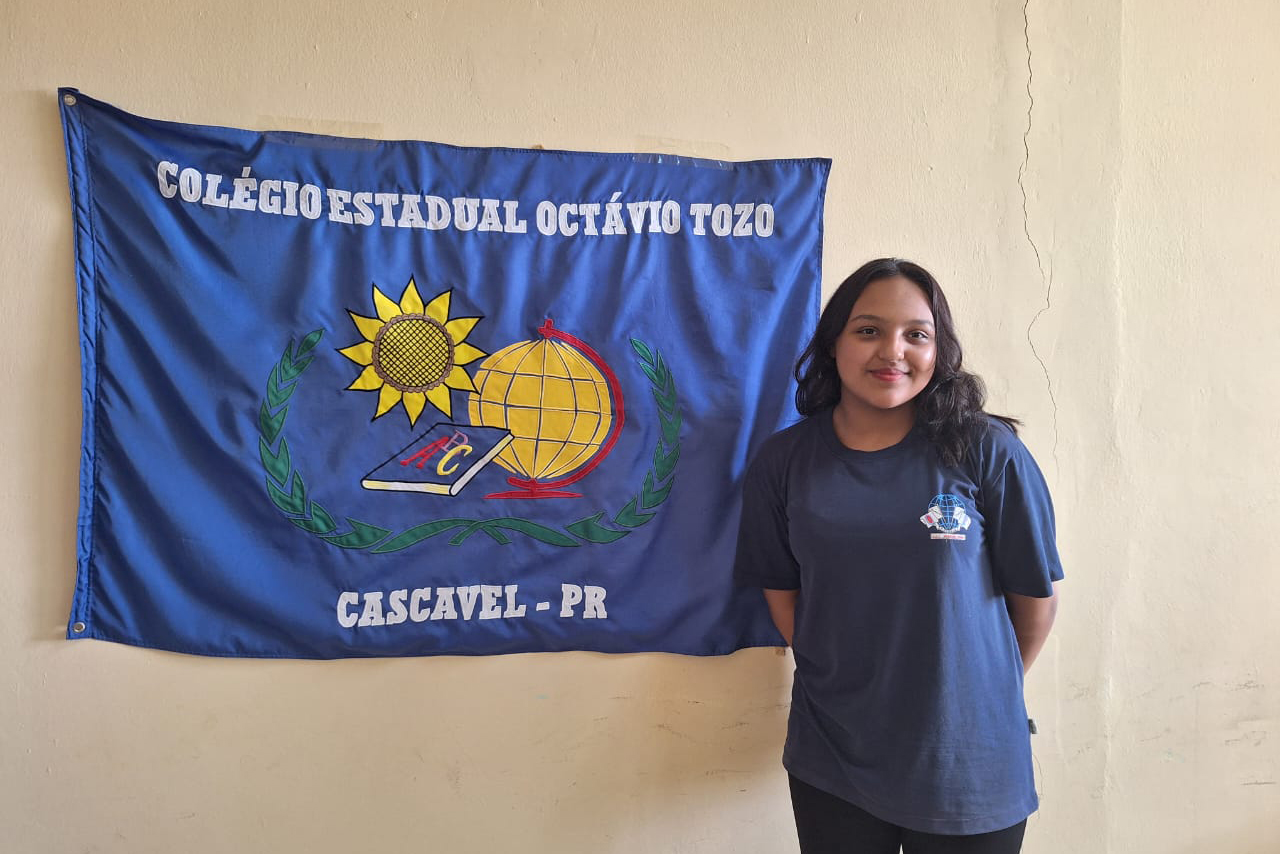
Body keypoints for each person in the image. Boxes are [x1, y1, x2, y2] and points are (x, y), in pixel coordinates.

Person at [734, 258, 1063, 854]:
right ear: (833, 343)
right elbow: (783, 593)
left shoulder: (986, 450)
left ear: (939, 351)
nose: (893, 351)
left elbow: (1034, 603)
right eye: (868, 330)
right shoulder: (784, 462)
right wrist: (843, 679)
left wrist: (969, 697)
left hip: (970, 762)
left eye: (917, 334)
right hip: (834, 755)